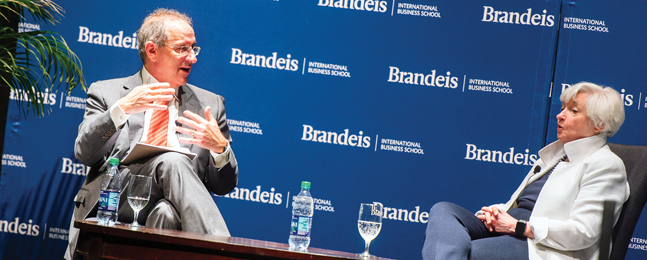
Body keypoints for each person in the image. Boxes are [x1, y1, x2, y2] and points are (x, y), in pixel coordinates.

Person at [64, 8, 238, 260]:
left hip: (174, 210)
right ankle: (222, 253)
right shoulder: (108, 92)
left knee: (166, 213)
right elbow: (84, 153)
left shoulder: (209, 104)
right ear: (152, 50)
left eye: (194, 49)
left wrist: (220, 150)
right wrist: (121, 109)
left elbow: (224, 186)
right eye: (182, 49)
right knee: (172, 160)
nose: (192, 58)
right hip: (115, 200)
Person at [422, 82, 629, 260]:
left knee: (464, 252)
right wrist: (497, 213)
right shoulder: (555, 155)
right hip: (511, 228)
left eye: (573, 111)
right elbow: (522, 205)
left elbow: (584, 232)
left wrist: (519, 227)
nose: (559, 115)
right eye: (563, 108)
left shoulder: (606, 165)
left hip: (542, 248)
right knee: (443, 211)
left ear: (599, 125)